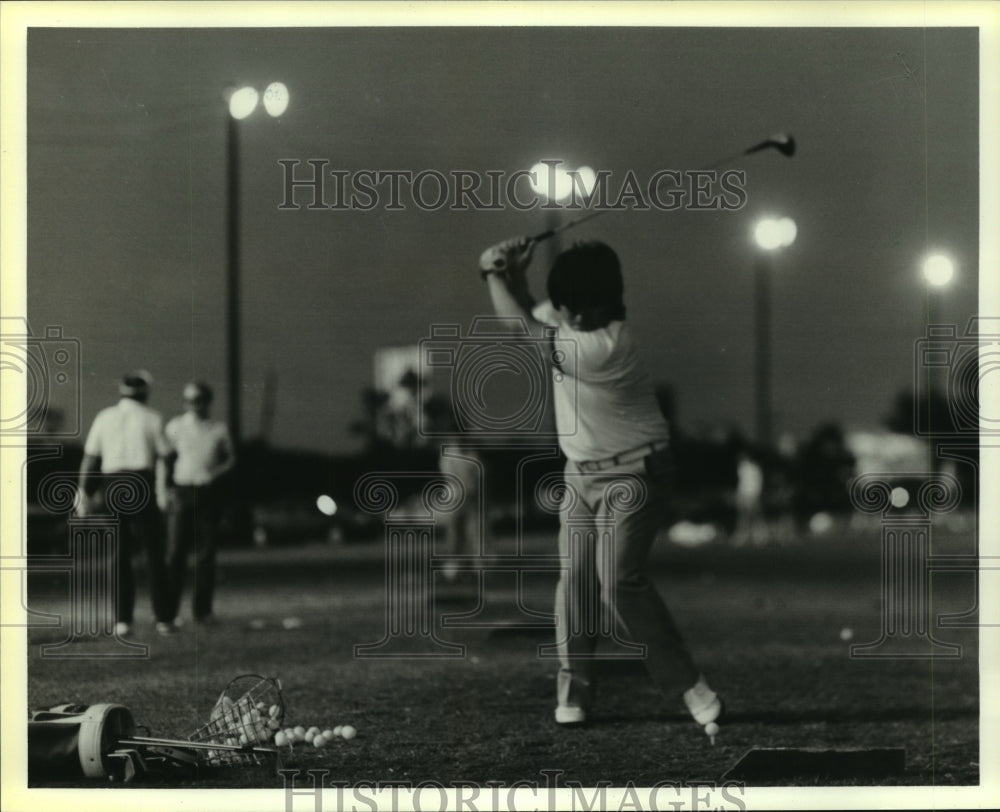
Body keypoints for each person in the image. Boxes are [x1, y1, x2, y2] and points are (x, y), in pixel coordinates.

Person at [478, 237, 723, 736]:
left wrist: (490, 271)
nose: (578, 318)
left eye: (585, 311)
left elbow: (523, 328)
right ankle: (575, 694)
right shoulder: (573, 323)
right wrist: (518, 276)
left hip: (635, 473)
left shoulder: (604, 347)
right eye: (572, 311)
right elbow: (530, 313)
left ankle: (690, 685)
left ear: (608, 304)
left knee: (618, 583)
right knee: (577, 586)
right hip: (581, 474)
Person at [77, 370, 174, 637]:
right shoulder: (152, 418)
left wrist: (83, 493)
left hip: (112, 483)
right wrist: (165, 490)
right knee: (154, 552)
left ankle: (123, 620)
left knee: (119, 553)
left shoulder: (104, 417)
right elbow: (166, 455)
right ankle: (164, 617)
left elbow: (91, 458)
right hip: (140, 481)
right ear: (145, 392)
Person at [163, 381, 234, 626]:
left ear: (208, 401)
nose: (195, 405)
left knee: (206, 554)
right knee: (175, 553)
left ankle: (202, 612)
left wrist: (213, 473)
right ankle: (168, 612)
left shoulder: (218, 429)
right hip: (182, 491)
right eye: (190, 400)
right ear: (185, 402)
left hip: (207, 493)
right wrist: (164, 489)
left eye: (200, 399)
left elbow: (231, 460)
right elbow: (165, 460)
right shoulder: (175, 427)